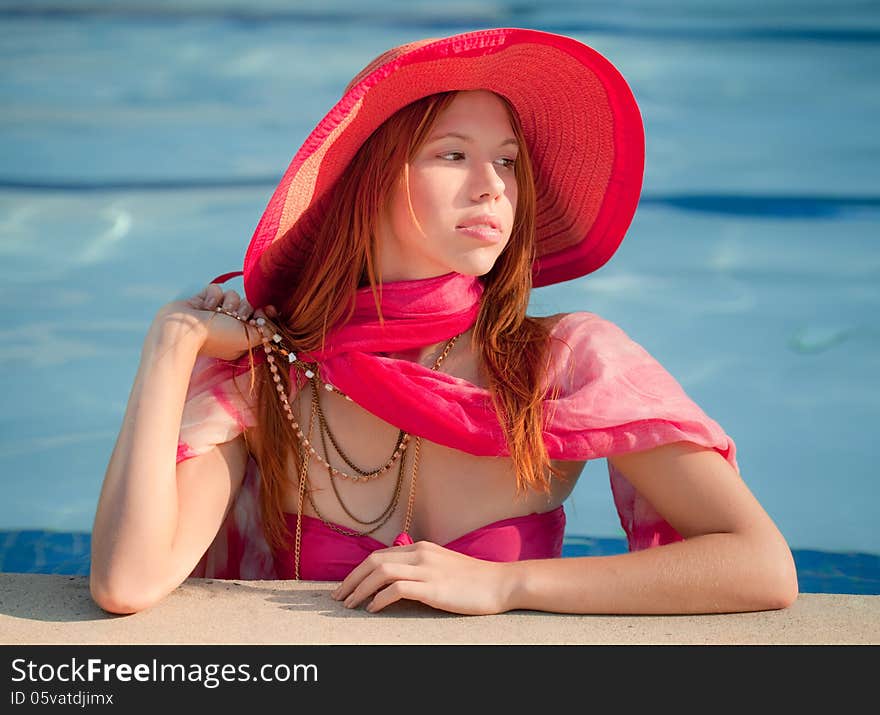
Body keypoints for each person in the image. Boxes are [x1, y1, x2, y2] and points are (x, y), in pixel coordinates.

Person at [89, 27, 798, 616]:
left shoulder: (559, 362)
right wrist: (171, 343)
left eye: (508, 161)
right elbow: (127, 581)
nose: (492, 185)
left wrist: (506, 583)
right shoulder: (271, 374)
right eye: (453, 154)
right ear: (369, 183)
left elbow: (761, 563)